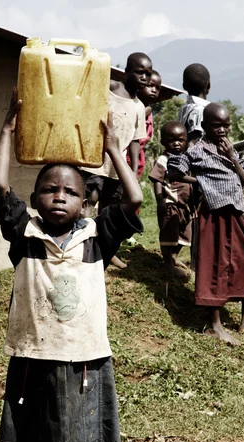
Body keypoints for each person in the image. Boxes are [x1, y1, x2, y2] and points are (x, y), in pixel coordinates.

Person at [0, 89, 143, 442]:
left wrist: (114, 148)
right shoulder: (25, 234)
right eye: (50, 190)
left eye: (71, 192)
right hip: (35, 358)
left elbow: (134, 196)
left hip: (84, 359)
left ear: (86, 201)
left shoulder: (99, 236)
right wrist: (9, 131)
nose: (60, 196)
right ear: (35, 198)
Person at [167, 102, 244, 345]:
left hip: (234, 213)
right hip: (212, 214)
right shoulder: (196, 150)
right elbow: (174, 172)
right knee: (216, 265)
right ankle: (214, 325)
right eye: (216, 125)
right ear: (205, 126)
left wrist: (232, 157)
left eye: (226, 125)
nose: (222, 130)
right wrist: (200, 181)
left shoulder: (231, 150)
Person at [82, 52, 151, 268]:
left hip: (115, 168)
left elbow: (134, 141)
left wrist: (131, 171)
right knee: (88, 202)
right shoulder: (110, 88)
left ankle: (106, 251)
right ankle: (82, 244)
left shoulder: (139, 106)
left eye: (148, 74)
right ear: (127, 71)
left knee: (110, 210)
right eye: (140, 72)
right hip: (93, 161)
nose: (144, 78)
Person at [149, 121, 193, 275]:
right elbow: (157, 180)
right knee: (169, 232)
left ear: (186, 140)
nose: (176, 144)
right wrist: (160, 200)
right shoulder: (164, 159)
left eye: (180, 140)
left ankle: (173, 258)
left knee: (184, 234)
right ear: (163, 142)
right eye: (171, 140)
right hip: (170, 203)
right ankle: (167, 262)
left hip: (185, 206)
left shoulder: (186, 158)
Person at [127, 69, 162, 180]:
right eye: (150, 86)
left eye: (158, 88)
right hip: (125, 159)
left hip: (136, 162)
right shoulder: (132, 105)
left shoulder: (149, 112)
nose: (154, 90)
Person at [178, 63, 211, 147]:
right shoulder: (202, 110)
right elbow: (194, 141)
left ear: (184, 86)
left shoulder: (184, 108)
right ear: (208, 85)